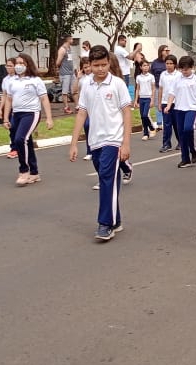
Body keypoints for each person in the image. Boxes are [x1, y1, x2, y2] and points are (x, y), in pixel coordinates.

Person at [69, 46, 132, 241]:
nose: (100, 69)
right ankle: (116, 219)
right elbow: (81, 113)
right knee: (109, 179)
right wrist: (73, 143)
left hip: (113, 139)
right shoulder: (86, 84)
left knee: (106, 178)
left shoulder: (118, 84)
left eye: (104, 65)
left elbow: (127, 113)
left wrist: (126, 143)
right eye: (96, 65)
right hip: (95, 140)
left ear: (109, 63)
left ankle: (105, 224)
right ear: (90, 65)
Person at [1, 53, 54, 186]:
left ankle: (24, 171)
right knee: (26, 142)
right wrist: (6, 118)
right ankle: (34, 172)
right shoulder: (11, 81)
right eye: (17, 63)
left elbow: (44, 99)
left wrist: (49, 118)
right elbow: (8, 99)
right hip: (16, 114)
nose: (18, 66)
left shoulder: (35, 80)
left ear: (28, 65)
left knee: (20, 139)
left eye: (21, 63)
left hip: (31, 113)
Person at [166, 56, 196, 168]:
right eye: (182, 69)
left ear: (192, 68)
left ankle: (193, 149)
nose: (184, 72)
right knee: (181, 134)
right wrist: (168, 105)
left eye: (186, 69)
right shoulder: (177, 79)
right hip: (179, 108)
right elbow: (172, 93)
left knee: (188, 129)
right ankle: (185, 159)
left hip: (191, 108)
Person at [158, 55, 181, 153]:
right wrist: (159, 103)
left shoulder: (179, 75)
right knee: (167, 125)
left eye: (171, 63)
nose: (169, 65)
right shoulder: (163, 74)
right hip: (165, 102)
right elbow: (161, 89)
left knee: (177, 124)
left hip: (176, 103)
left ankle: (181, 142)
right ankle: (166, 144)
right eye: (167, 63)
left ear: (175, 64)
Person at [134, 59, 156, 141]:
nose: (146, 67)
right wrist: (136, 100)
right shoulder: (138, 77)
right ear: (141, 67)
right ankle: (146, 133)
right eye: (144, 66)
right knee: (142, 117)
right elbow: (137, 89)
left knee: (145, 115)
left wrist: (152, 100)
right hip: (141, 98)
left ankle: (152, 127)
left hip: (148, 98)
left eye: (147, 65)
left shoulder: (151, 76)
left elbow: (153, 89)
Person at [56, 37, 75, 114]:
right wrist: (62, 68)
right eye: (71, 39)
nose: (72, 40)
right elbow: (58, 62)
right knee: (65, 92)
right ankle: (66, 107)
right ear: (68, 40)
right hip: (65, 74)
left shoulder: (69, 48)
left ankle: (77, 106)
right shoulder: (62, 49)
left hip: (71, 73)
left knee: (74, 90)